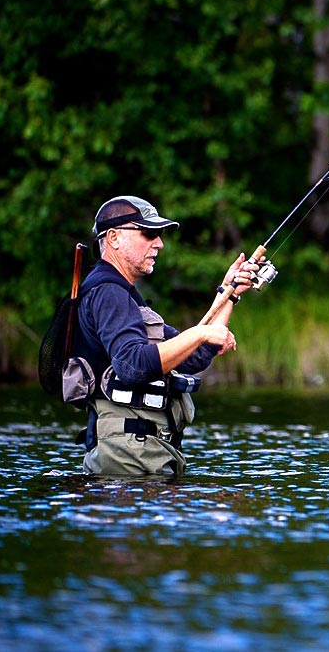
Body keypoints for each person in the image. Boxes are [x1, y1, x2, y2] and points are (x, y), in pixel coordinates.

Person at [71, 195, 257, 477]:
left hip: (143, 455)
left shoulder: (126, 295)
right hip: (127, 461)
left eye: (159, 235)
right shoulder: (108, 292)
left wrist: (228, 293)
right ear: (113, 238)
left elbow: (194, 356)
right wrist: (201, 333)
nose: (159, 243)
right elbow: (132, 366)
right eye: (148, 233)